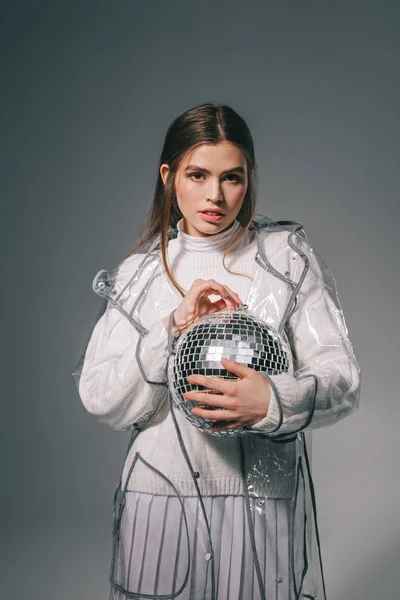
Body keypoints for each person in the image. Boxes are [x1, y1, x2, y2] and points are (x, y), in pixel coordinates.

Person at [72, 102, 361, 600]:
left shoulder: (285, 261)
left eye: (232, 177)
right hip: (159, 497)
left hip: (262, 500)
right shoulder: (136, 278)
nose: (215, 195)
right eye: (198, 174)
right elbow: (99, 396)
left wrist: (271, 401)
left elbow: (342, 379)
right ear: (169, 177)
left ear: (249, 179)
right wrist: (168, 330)